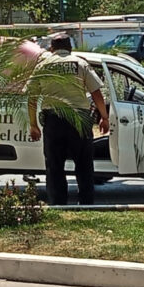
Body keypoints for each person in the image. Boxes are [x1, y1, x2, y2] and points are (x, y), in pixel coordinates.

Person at [27, 33, 109, 206]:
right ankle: (86, 203)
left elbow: (32, 97)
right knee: (84, 164)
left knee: (54, 166)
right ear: (70, 47)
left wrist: (33, 125)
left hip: (54, 121)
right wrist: (104, 117)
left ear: (51, 49)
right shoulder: (80, 64)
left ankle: (58, 203)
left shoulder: (43, 66)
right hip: (79, 119)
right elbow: (96, 92)